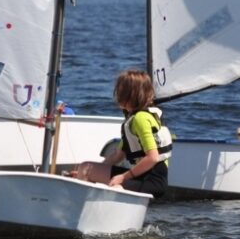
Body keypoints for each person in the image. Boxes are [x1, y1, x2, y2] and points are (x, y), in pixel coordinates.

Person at [72, 69, 171, 197]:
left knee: (116, 187)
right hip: (139, 176)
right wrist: (87, 174)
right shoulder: (132, 120)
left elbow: (153, 157)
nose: (117, 95)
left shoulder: (141, 119)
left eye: (120, 91)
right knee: (85, 169)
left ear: (130, 95)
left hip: (152, 181)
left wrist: (123, 177)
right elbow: (117, 156)